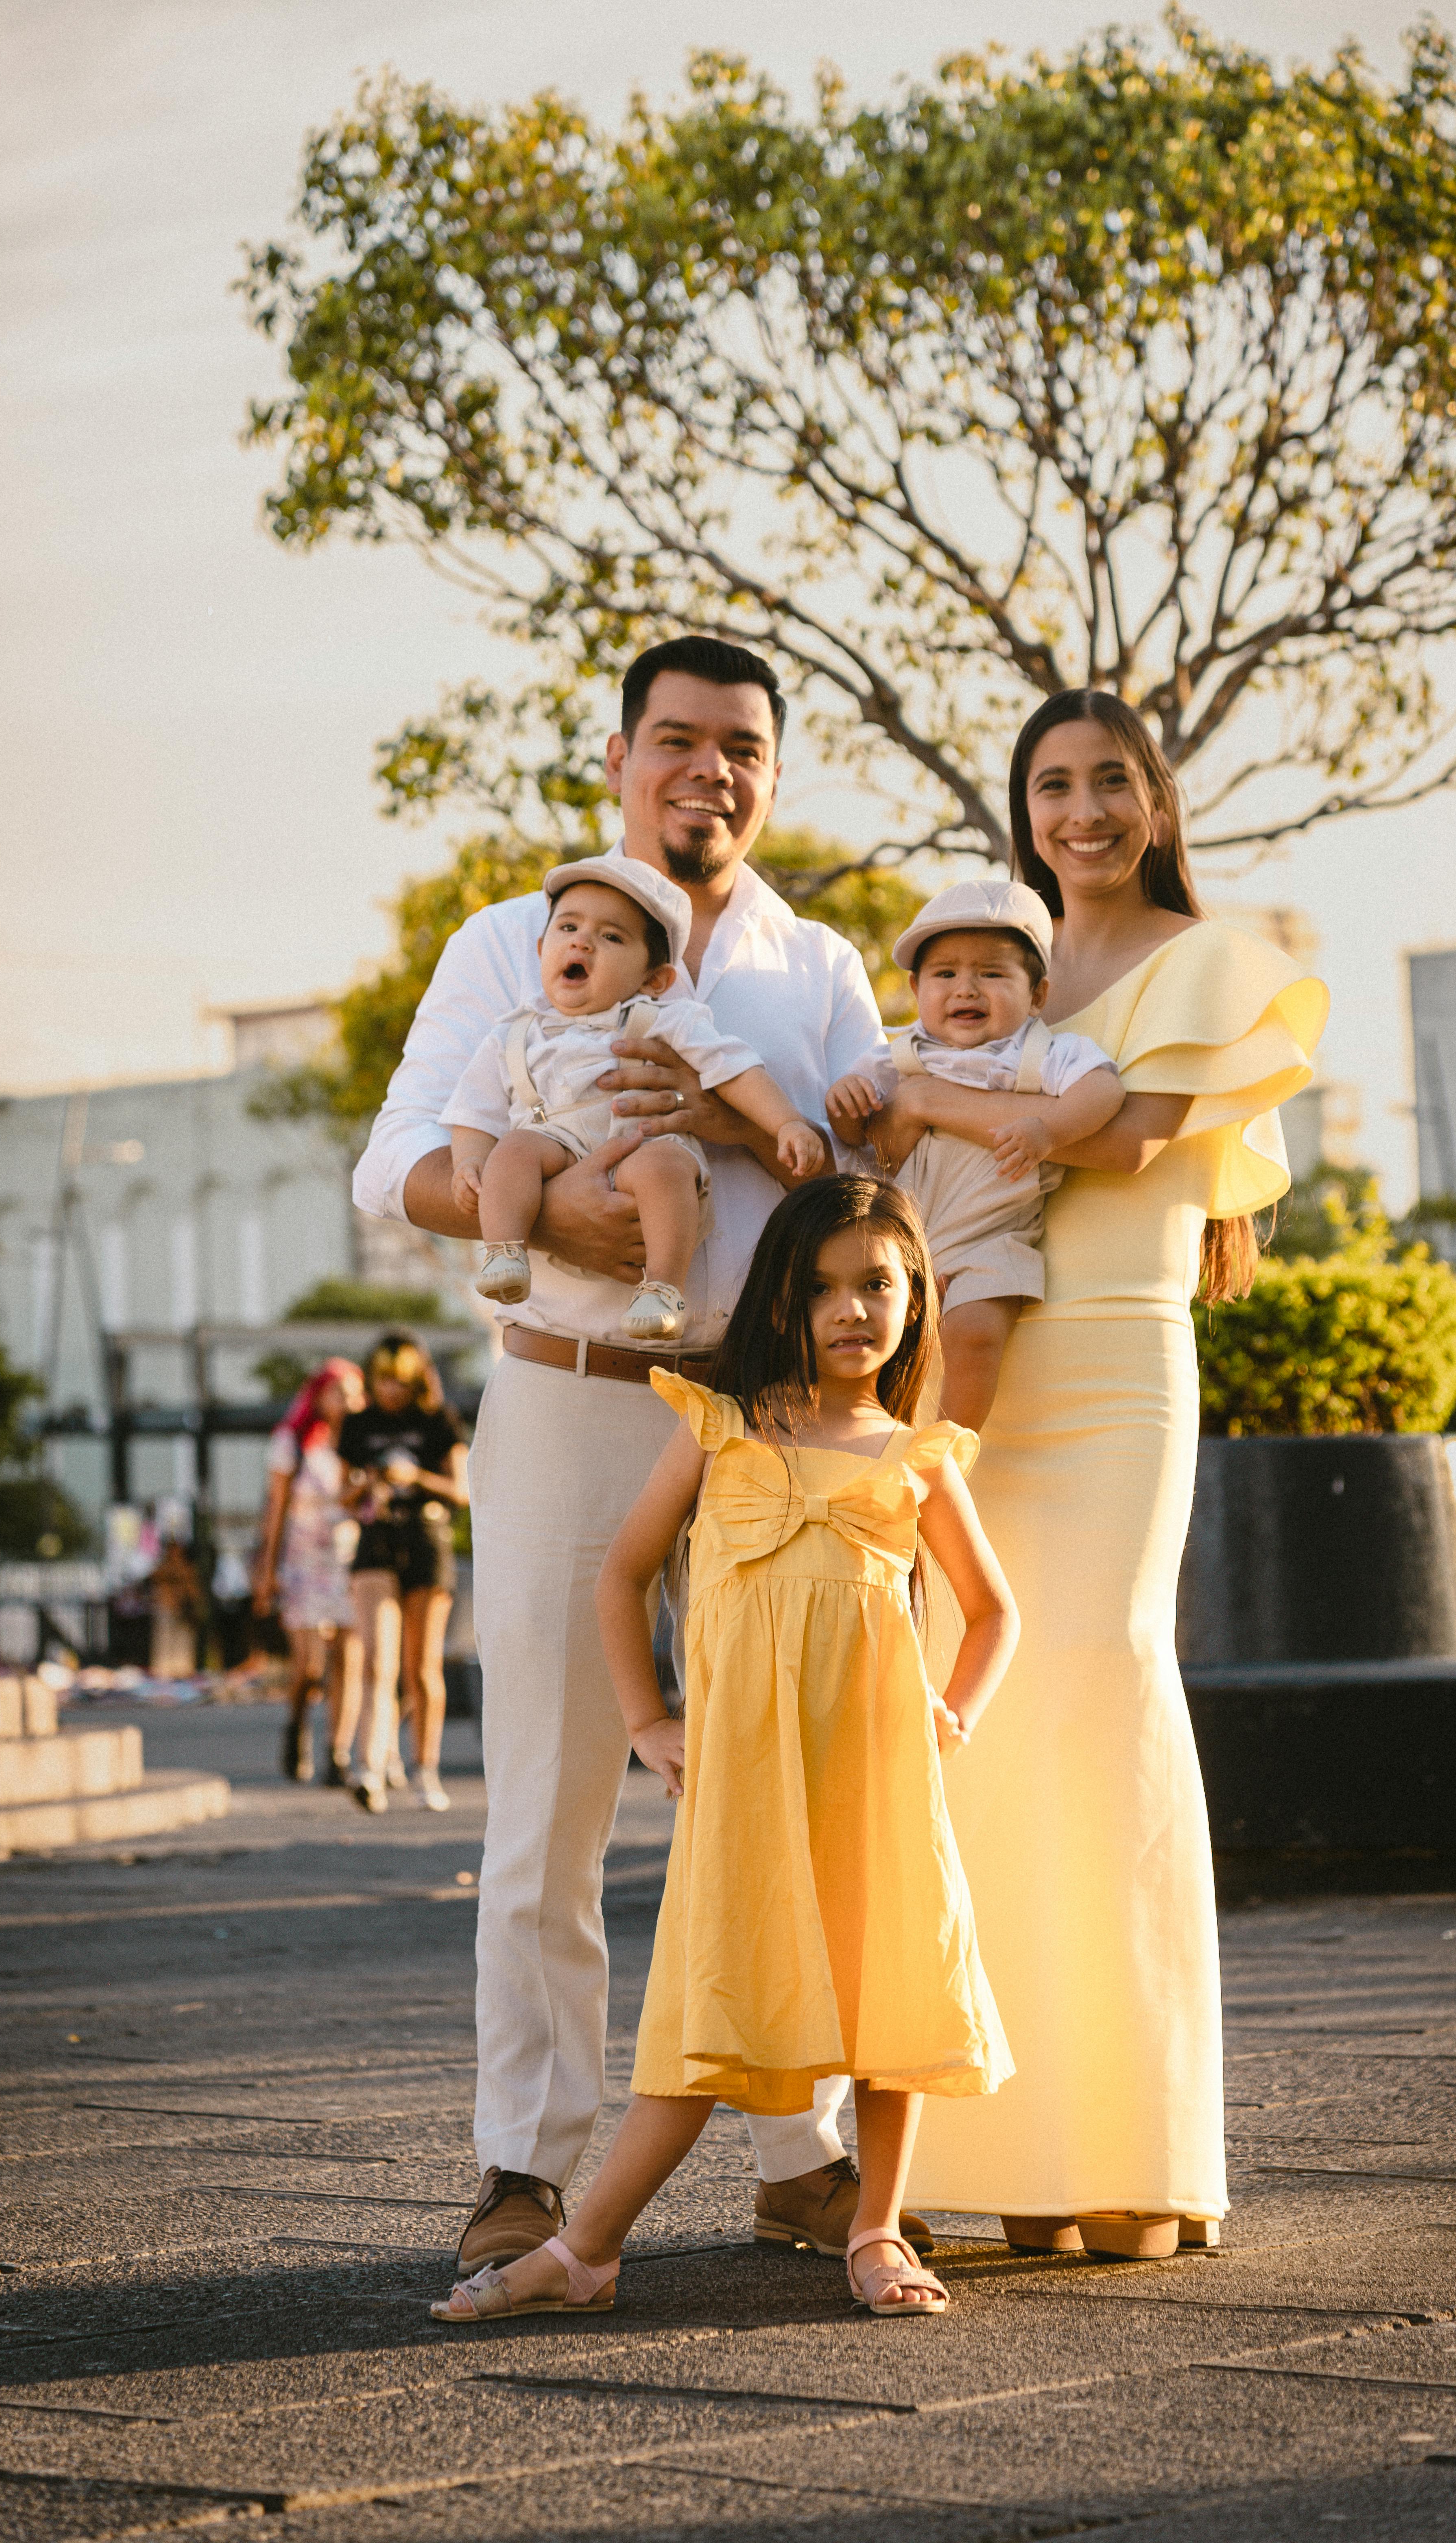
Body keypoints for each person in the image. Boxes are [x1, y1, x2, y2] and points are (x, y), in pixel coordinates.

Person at [352, 635, 895, 2283]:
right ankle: (527, 2161)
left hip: (763, 1419)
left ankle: (803, 2156)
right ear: (616, 758)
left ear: (773, 778)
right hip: (566, 1391)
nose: (706, 772)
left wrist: (739, 1126)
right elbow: (393, 1170)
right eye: (676, 740)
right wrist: (556, 1206)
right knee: (552, 1800)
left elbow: (868, 1189)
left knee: (782, 1792)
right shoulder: (513, 939)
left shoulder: (818, 971)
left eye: (740, 748)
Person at [896, 688, 1327, 2260]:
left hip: (1116, 1377)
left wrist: (931, 1099)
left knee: (1104, 1686)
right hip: (969, 1364)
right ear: (1023, 810)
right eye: (1049, 786)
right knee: (981, 1721)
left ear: (1155, 801)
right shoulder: (991, 969)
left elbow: (1129, 1140)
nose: (1077, 812)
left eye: (1107, 783)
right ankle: (1017, 2152)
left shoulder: (1207, 965)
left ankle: (1143, 2157)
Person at [434, 1178, 1018, 2325]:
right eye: (819, 1289)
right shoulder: (725, 1429)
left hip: (877, 1781)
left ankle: (876, 2229)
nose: (851, 1310)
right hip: (747, 1786)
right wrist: (649, 1719)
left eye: (878, 1286)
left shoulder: (918, 1455)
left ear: (916, 1302)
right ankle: (589, 2246)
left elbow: (994, 1610)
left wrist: (955, 1710)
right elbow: (622, 1572)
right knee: (713, 2003)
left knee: (890, 1992)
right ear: (779, 1305)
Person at [447, 856, 825, 1342]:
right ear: (543, 950)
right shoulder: (512, 1035)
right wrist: (468, 1163)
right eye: (568, 927)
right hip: (554, 1149)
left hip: (640, 1144)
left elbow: (734, 1069)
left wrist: (785, 1123)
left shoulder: (663, 1019)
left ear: (654, 980)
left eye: (611, 937)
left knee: (664, 1167)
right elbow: (472, 1113)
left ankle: (662, 1289)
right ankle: (505, 1252)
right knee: (512, 1151)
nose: (582, 941)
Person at [825, 877, 1125, 1427]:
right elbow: (856, 1140)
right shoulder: (895, 1055)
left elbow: (1104, 1090)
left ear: (1038, 995)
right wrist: (844, 1104)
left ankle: (945, 1453)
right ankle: (873, 1442)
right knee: (872, 1349)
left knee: (975, 1336)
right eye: (946, 974)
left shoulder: (1046, 1055)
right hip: (899, 1245)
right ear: (916, 990)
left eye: (991, 973)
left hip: (992, 1240)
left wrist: (1049, 1130)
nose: (966, 989)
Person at [337, 1334, 469, 1815]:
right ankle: (368, 1767)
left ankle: (425, 1769)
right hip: (377, 1539)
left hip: (427, 1540)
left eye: (399, 1381)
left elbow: (462, 1491)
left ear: (416, 1381)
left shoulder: (438, 1421)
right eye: (383, 1380)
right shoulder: (358, 1425)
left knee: (422, 1668)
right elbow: (342, 1495)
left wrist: (415, 1478)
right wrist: (369, 1483)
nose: (390, 1390)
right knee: (377, 1660)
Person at [251, 1357, 366, 1783]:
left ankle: (338, 1752)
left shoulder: (361, 1444)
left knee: (349, 1660)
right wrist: (266, 1568)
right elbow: (275, 1510)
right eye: (339, 1392)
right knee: (312, 1665)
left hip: (351, 1561)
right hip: (302, 1562)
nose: (348, 1402)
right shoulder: (293, 1443)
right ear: (318, 1396)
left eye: (356, 1393)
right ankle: (297, 1723)